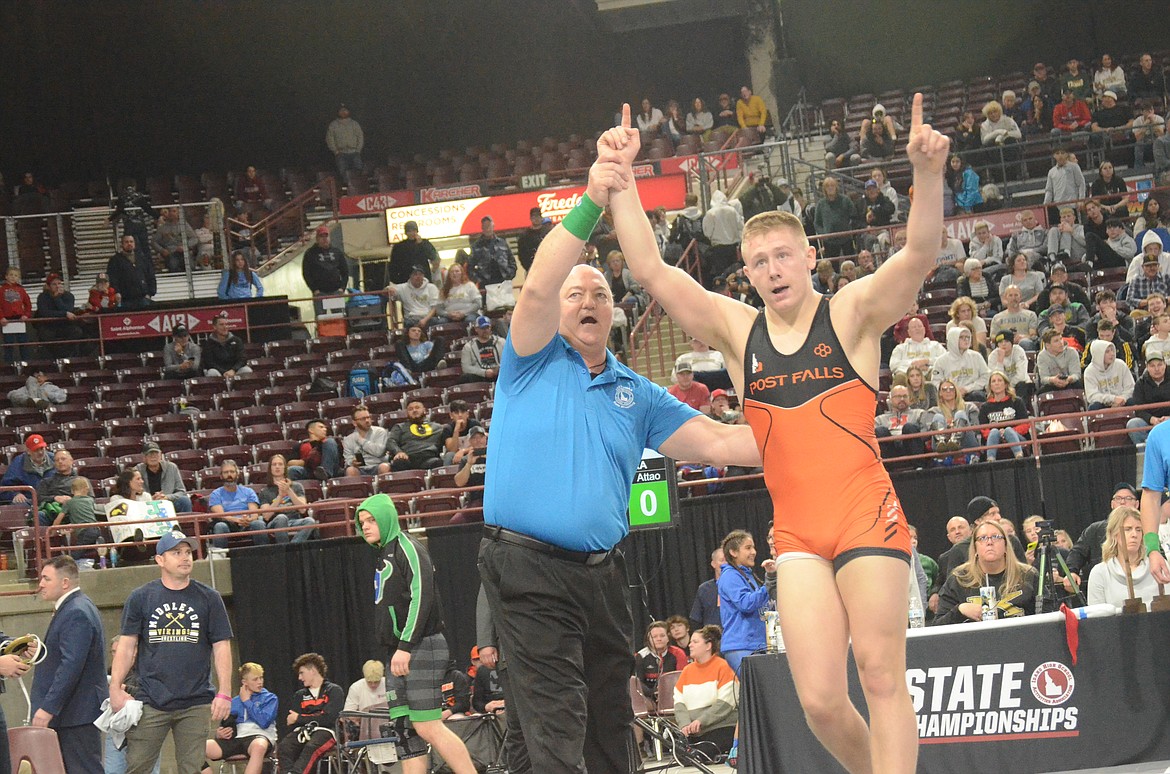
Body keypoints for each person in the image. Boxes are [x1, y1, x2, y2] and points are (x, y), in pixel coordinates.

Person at [608, 94, 950, 773]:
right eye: (758, 261)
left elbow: (919, 253)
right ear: (747, 270)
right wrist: (621, 181)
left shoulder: (851, 312)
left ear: (808, 255)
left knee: (880, 675)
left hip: (865, 512)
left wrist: (928, 173)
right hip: (796, 530)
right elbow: (650, 271)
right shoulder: (739, 331)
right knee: (820, 700)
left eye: (783, 256)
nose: (772, 269)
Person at [478, 131, 762, 774]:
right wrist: (593, 198)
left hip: (603, 576)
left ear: (615, 314)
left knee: (608, 716)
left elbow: (723, 441)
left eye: (600, 295)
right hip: (527, 569)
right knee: (557, 719)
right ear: (556, 312)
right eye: (575, 294)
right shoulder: (527, 359)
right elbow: (536, 288)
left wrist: (809, 426)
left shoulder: (637, 392)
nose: (586, 301)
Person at [356, 494, 477, 774]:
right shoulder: (384, 553)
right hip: (398, 650)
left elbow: (422, 597)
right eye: (362, 522)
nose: (366, 526)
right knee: (404, 731)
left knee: (426, 725)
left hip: (421, 645)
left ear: (387, 517)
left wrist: (406, 646)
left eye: (372, 519)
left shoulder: (407, 547)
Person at [110, 531, 233, 774]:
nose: (185, 557)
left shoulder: (209, 598)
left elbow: (222, 646)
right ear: (160, 560)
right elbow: (126, 646)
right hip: (151, 699)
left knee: (192, 768)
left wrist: (225, 692)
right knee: (137, 767)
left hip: (195, 700)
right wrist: (115, 687)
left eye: (188, 552)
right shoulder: (141, 597)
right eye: (176, 552)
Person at [30, 555, 105, 774]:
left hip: (75, 715)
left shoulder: (76, 612)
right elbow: (68, 656)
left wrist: (48, 707)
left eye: (46, 579)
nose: (40, 584)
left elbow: (71, 666)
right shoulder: (77, 607)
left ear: (65, 583)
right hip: (74, 714)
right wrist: (42, 653)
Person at [932, 519, 1037, 624]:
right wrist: (960, 610)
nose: (989, 542)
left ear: (1005, 545)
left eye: (996, 537)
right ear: (975, 547)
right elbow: (937, 627)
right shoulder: (959, 579)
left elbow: (1047, 615)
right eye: (982, 538)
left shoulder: (1028, 575)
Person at [673, 625, 738, 755]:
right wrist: (685, 724)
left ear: (708, 646)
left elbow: (725, 703)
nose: (690, 645)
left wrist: (700, 721)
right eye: (691, 642)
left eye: (695, 642)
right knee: (680, 751)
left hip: (720, 727)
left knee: (701, 753)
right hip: (693, 731)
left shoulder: (723, 666)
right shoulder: (687, 671)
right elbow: (679, 702)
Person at [202, 663, 277, 774]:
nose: (260, 682)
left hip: (260, 736)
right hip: (237, 739)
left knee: (259, 746)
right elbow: (226, 725)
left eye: (261, 678)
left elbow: (264, 722)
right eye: (255, 679)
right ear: (244, 682)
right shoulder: (234, 702)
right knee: (196, 748)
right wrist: (219, 734)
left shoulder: (270, 698)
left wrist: (247, 701)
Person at [716, 531, 773, 674]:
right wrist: (769, 583)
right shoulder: (730, 576)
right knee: (758, 692)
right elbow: (746, 604)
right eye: (748, 548)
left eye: (753, 547)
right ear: (733, 552)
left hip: (756, 644)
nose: (753, 552)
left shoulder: (746, 574)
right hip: (741, 646)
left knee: (762, 692)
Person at [279, 653, 345, 774]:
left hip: (328, 731)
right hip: (304, 731)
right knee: (284, 746)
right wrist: (306, 719)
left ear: (313, 671)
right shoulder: (299, 695)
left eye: (301, 673)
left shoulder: (334, 690)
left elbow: (329, 719)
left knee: (311, 746)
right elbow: (292, 723)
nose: (299, 678)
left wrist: (299, 718)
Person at [1087, 506, 1160, 609]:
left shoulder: (1157, 566)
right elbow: (1097, 619)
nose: (1134, 534)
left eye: (1138, 530)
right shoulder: (1100, 573)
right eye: (1128, 529)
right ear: (1114, 534)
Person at [253, 455, 317, 543]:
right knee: (281, 518)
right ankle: (284, 550)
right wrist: (279, 496)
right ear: (270, 468)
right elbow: (266, 516)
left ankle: (291, 548)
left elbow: (302, 509)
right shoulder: (265, 491)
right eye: (274, 464)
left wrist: (289, 491)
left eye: (280, 464)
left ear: (285, 467)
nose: (277, 467)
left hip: (294, 520)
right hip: (275, 522)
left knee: (310, 521)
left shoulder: (297, 486)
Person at [207, 460, 264, 548]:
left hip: (247, 524)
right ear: (221, 476)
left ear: (237, 474)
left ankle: (265, 555)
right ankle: (220, 557)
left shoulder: (249, 492)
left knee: (258, 523)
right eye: (226, 472)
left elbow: (254, 513)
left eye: (232, 472)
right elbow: (221, 515)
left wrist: (248, 520)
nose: (229, 475)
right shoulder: (215, 494)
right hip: (228, 525)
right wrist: (237, 520)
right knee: (220, 526)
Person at [978, 372, 1030, 461]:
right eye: (993, 381)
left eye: (999, 380)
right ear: (990, 386)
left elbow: (1025, 425)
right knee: (994, 431)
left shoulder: (1017, 401)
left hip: (1017, 437)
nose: (997, 383)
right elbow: (983, 429)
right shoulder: (985, 407)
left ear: (1005, 384)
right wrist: (999, 435)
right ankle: (990, 459)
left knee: (1008, 430)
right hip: (994, 439)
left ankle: (1019, 456)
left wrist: (1007, 433)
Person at [875, 384, 934, 461]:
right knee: (880, 431)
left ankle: (919, 467)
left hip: (912, 448)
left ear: (910, 399)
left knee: (909, 427)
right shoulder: (879, 419)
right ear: (890, 399)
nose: (902, 399)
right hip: (889, 451)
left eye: (905, 396)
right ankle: (885, 467)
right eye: (898, 396)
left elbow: (927, 432)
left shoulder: (920, 413)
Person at [302, 225, 350, 316]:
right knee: (321, 318)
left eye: (326, 236)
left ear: (329, 237)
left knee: (339, 317)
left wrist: (342, 288)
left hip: (335, 291)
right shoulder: (310, 253)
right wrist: (314, 289)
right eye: (321, 236)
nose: (324, 239)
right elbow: (306, 273)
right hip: (320, 293)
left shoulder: (337, 252)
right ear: (317, 239)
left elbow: (345, 271)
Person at [635, 621, 687, 701]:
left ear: (668, 638)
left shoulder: (678, 654)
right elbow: (637, 683)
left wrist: (667, 694)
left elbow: (683, 679)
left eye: (662, 636)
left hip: (674, 695)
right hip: (648, 697)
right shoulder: (640, 656)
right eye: (654, 636)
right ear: (648, 639)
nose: (659, 639)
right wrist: (653, 694)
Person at [387, 401, 445, 471]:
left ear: (424, 410)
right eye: (410, 409)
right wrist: (398, 452)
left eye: (417, 408)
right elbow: (391, 441)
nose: (414, 410)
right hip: (407, 458)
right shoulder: (400, 427)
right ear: (407, 413)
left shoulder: (437, 427)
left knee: (437, 462)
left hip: (429, 458)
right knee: (399, 462)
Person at [137, 441, 193, 514]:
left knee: (184, 500)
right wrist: (150, 498)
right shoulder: (137, 470)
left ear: (161, 455)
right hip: (147, 505)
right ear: (144, 457)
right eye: (149, 454)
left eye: (156, 454)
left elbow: (182, 492)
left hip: (169, 503)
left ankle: (187, 525)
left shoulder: (172, 467)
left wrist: (167, 497)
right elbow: (135, 494)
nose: (153, 457)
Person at [1127, 353, 1170, 444]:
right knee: (1133, 424)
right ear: (1147, 367)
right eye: (1152, 366)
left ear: (1165, 365)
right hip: (1150, 421)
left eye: (1159, 365)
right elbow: (1138, 409)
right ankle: (1148, 449)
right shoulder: (1140, 384)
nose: (1157, 369)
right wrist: (1152, 419)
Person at [35, 273, 82, 357]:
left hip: (65, 325)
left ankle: (65, 355)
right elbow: (45, 313)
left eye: (59, 283)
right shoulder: (42, 297)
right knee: (44, 335)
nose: (57, 286)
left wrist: (57, 298)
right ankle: (60, 356)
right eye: (54, 284)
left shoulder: (68, 295)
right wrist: (64, 314)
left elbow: (69, 309)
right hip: (49, 326)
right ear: (48, 286)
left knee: (77, 332)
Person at [0, 434, 53, 504]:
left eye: (42, 448)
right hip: (30, 501)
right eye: (36, 450)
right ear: (28, 451)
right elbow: (5, 487)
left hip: (53, 498)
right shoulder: (18, 462)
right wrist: (15, 494)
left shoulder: (55, 459)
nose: (40, 452)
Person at [1083, 339, 1134, 410]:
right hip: (1103, 404)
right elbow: (1092, 396)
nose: (1112, 354)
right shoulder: (1089, 371)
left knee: (1133, 401)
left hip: (1122, 401)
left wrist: (1122, 399)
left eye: (1112, 350)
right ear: (1099, 354)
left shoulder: (1121, 365)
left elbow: (1130, 388)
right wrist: (1113, 399)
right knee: (1094, 406)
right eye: (1107, 352)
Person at [343, 405, 391, 476]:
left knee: (384, 467)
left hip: (378, 465)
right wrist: (352, 462)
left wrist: (361, 441)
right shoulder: (348, 439)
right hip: (360, 468)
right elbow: (348, 459)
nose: (367, 421)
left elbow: (379, 452)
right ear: (354, 423)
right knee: (350, 470)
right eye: (363, 419)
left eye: (368, 417)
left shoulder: (380, 432)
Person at [389, 221, 441, 287]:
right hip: (406, 281)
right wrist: (397, 282)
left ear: (417, 231)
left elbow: (433, 257)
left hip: (424, 280)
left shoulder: (425, 243)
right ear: (406, 233)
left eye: (413, 230)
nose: (412, 233)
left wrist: (421, 244)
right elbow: (393, 266)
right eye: (409, 231)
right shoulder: (399, 247)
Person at [202, 314, 252, 378]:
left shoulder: (237, 340)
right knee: (211, 372)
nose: (225, 327)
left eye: (226, 324)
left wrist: (233, 370)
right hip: (219, 373)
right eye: (221, 325)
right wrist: (224, 372)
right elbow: (209, 363)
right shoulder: (208, 343)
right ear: (214, 327)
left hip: (234, 371)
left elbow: (242, 358)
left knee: (247, 370)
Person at [0, 265, 32, 363]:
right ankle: (8, 365)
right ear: (6, 276)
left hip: (19, 319)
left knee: (23, 343)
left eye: (16, 275)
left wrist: (26, 315)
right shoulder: (1, 290)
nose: (13, 277)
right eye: (11, 275)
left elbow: (28, 304)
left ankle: (25, 364)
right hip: (7, 319)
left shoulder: (21, 290)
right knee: (8, 344)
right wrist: (1, 317)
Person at [151, 207, 198, 274]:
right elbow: (154, 242)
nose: (172, 213)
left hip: (184, 252)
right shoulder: (163, 228)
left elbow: (194, 239)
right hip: (171, 253)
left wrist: (185, 245)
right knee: (173, 266)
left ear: (178, 213)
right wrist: (162, 250)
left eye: (174, 211)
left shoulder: (184, 225)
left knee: (191, 266)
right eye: (170, 211)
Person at [460, 315, 504, 383]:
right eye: (482, 328)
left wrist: (499, 369)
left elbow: (509, 360)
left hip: (499, 373)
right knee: (465, 378)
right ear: (476, 329)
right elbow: (466, 368)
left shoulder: (501, 342)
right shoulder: (468, 347)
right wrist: (484, 372)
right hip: (480, 376)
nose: (485, 330)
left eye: (487, 327)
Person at [689, 548, 724, 628]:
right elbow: (696, 619)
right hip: (712, 637)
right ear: (713, 564)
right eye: (722, 560)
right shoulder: (704, 589)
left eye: (728, 561)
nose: (725, 564)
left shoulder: (740, 586)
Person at [326, 104, 364, 177]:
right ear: (338, 112)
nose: (343, 112)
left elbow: (360, 137)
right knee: (343, 173)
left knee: (358, 172)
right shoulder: (333, 124)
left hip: (354, 152)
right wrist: (336, 151)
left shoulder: (354, 124)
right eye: (341, 110)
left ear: (349, 112)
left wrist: (358, 150)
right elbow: (329, 138)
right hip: (341, 153)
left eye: (345, 110)